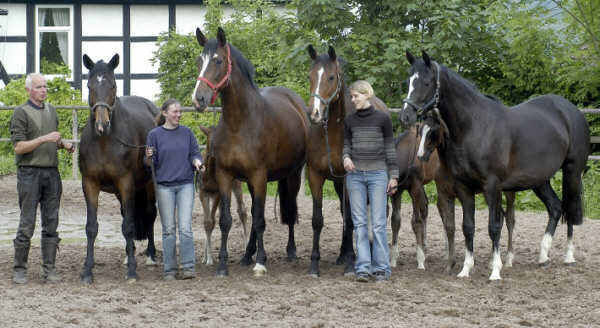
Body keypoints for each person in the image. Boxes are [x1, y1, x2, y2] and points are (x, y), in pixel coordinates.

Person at [9, 73, 75, 284]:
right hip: (29, 173)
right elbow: (19, 147)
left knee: (51, 222)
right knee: (27, 222)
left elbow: (52, 139)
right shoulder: (21, 113)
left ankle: (50, 269)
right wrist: (45, 138)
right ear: (29, 90)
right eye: (39, 87)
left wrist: (62, 144)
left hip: (51, 174)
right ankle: (19, 269)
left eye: (45, 86)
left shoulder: (51, 111)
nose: (44, 90)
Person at [343, 80, 398, 283]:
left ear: (367, 94)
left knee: (378, 224)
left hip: (377, 175)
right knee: (359, 224)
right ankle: (363, 268)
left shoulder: (383, 119)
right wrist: (346, 158)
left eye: (356, 96)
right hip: (355, 176)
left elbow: (390, 148)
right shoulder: (350, 121)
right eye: (352, 96)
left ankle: (382, 268)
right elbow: (346, 145)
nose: (353, 99)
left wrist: (393, 176)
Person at [145, 99, 203, 281]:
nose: (178, 115)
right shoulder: (154, 135)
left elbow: (195, 153)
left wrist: (197, 162)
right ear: (164, 114)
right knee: (168, 229)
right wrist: (148, 157)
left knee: (185, 228)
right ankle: (169, 269)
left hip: (185, 184)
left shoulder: (187, 133)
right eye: (174, 112)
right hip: (164, 187)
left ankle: (188, 267)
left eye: (179, 112)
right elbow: (148, 163)